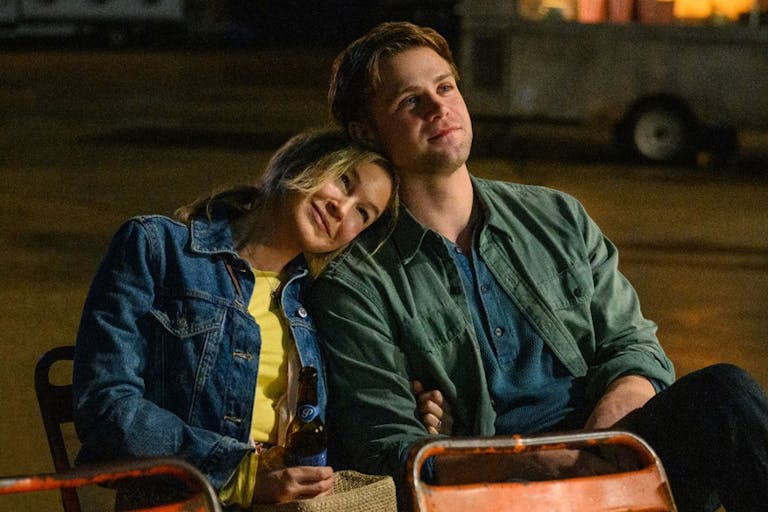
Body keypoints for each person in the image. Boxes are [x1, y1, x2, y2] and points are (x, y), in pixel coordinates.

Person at [307, 21, 768, 512]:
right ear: (366, 132)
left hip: (613, 446)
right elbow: (389, 446)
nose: (439, 107)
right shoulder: (357, 281)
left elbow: (632, 346)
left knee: (725, 394)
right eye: (410, 101)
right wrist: (535, 464)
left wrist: (603, 438)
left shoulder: (557, 216)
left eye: (445, 87)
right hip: (497, 484)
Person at [72, 128, 437, 510]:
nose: (341, 210)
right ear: (300, 162)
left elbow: (341, 429)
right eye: (344, 181)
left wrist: (405, 410)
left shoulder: (319, 303)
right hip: (182, 500)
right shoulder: (157, 248)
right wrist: (241, 475)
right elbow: (105, 404)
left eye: (363, 213)